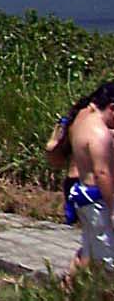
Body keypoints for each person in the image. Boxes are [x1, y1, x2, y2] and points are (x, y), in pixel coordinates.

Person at [66, 81, 114, 276]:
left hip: (84, 197)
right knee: (107, 263)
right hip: (98, 203)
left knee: (89, 254)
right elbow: (101, 172)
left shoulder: (83, 123)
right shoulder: (99, 134)